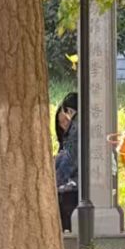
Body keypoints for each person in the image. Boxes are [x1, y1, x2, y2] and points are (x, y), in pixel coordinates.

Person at [53, 90, 78, 234]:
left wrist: (53, 182)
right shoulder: (70, 135)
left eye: (66, 120)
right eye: (61, 122)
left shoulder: (76, 132)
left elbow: (69, 162)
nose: (64, 125)